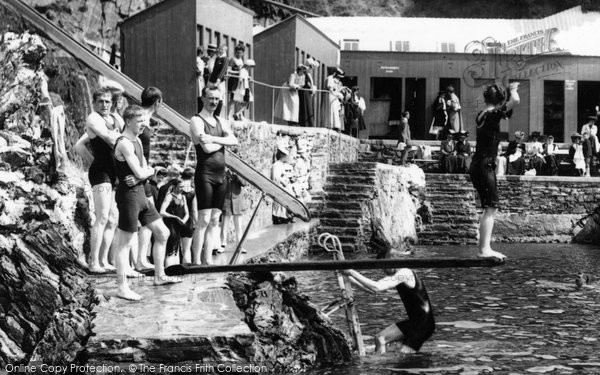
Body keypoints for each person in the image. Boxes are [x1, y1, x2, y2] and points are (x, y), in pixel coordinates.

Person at [112, 105, 180, 301]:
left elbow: (141, 172)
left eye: (144, 121)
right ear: (128, 121)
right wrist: (150, 171)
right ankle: (122, 287)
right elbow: (143, 171)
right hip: (129, 196)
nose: (144, 124)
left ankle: (159, 276)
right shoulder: (124, 143)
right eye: (140, 121)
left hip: (141, 193)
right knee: (124, 243)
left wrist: (143, 174)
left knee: (162, 232)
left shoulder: (138, 141)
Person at [342, 247, 435, 355]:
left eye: (383, 266)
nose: (383, 270)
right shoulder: (397, 275)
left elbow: (377, 287)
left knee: (404, 358)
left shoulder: (404, 273)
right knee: (380, 338)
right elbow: (371, 290)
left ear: (392, 261)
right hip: (414, 322)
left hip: (423, 325)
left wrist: (351, 272)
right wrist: (347, 277)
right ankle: (380, 364)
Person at [469, 82, 520, 260]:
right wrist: (512, 89)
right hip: (484, 165)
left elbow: (506, 110)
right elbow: (516, 100)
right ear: (499, 101)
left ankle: (483, 244)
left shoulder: (482, 114)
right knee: (491, 207)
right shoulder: (492, 115)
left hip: (478, 164)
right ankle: (484, 249)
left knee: (489, 207)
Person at [73, 88, 121, 273]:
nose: (104, 105)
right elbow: (110, 139)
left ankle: (104, 260)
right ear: (94, 103)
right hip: (101, 174)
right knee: (101, 218)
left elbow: (79, 144)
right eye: (101, 101)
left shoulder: (114, 119)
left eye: (108, 101)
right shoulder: (93, 118)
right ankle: (93, 262)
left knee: (113, 219)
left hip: (112, 172)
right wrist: (95, 162)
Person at [190, 86, 239, 265]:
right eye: (210, 98)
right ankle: (196, 261)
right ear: (203, 98)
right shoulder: (196, 120)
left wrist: (214, 138)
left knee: (215, 220)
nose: (214, 102)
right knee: (203, 220)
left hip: (221, 176)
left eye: (217, 99)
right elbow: (207, 148)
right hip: (205, 175)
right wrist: (222, 141)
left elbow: (235, 140)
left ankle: (208, 260)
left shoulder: (221, 121)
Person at [135, 86, 163, 271]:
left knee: (146, 219)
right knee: (146, 217)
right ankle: (140, 259)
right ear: (157, 102)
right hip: (140, 173)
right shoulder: (142, 119)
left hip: (142, 173)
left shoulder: (141, 117)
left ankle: (141, 258)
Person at [159, 178, 189, 267]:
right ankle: (169, 268)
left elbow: (187, 212)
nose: (182, 189)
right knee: (170, 248)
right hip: (171, 224)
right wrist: (175, 217)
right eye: (180, 187)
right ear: (174, 187)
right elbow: (162, 211)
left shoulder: (183, 196)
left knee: (177, 247)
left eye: (183, 187)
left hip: (179, 224)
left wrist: (184, 220)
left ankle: (176, 268)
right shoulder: (169, 196)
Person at [220, 169, 248, 255]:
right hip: (227, 200)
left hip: (238, 201)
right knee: (224, 224)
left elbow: (244, 183)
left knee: (239, 226)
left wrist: (237, 175)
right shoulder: (223, 172)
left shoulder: (239, 171)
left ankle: (239, 246)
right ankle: (222, 245)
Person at [272, 145, 294, 224]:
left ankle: (287, 215)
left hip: (284, 185)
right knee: (280, 201)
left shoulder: (282, 165)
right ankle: (278, 217)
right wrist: (283, 182)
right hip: (279, 186)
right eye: (285, 156)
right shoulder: (276, 165)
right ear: (282, 156)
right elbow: (276, 178)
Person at [179, 167, 197, 264]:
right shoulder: (192, 191)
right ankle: (187, 271)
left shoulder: (176, 188)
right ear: (192, 177)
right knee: (186, 249)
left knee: (175, 250)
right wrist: (196, 223)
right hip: (188, 220)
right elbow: (194, 210)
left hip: (176, 220)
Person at [207, 45, 230, 116]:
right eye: (219, 49)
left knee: (219, 97)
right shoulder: (217, 58)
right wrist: (210, 79)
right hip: (212, 80)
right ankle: (211, 113)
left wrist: (218, 79)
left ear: (225, 51)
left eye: (221, 49)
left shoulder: (225, 59)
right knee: (211, 95)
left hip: (219, 82)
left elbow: (223, 70)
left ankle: (217, 115)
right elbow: (214, 70)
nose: (220, 51)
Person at [298, 58, 318, 127]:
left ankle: (308, 123)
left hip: (307, 92)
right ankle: (306, 124)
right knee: (305, 106)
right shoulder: (304, 73)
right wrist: (311, 87)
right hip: (304, 92)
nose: (312, 68)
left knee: (308, 107)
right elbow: (304, 82)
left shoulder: (307, 73)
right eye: (311, 66)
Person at [196, 47, 206, 112]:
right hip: (199, 79)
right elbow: (200, 71)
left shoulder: (195, 59)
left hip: (198, 78)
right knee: (200, 95)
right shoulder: (199, 61)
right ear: (201, 53)